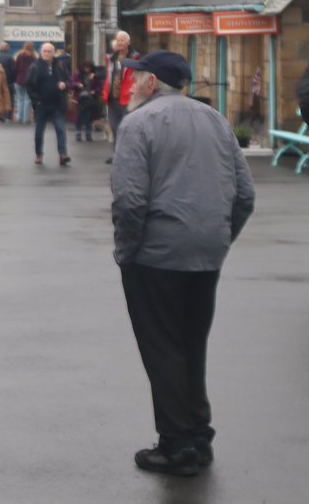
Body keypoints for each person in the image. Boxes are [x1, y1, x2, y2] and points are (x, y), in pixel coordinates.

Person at [110, 51, 255, 477]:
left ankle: (176, 447)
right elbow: (245, 194)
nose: (132, 85)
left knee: (163, 350)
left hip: (156, 256)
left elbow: (130, 200)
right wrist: (220, 239)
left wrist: (127, 252)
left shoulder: (136, 124)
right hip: (206, 254)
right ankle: (198, 435)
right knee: (192, 346)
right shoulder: (216, 120)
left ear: (152, 83)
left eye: (136, 78)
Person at [26, 42, 71, 166]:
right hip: (41, 104)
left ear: (54, 53)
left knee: (60, 129)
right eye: (44, 51)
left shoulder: (60, 65)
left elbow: (68, 79)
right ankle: (38, 154)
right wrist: (36, 100)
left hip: (57, 104)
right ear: (41, 52)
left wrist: (65, 85)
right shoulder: (35, 66)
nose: (46, 53)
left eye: (49, 51)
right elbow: (29, 85)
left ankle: (63, 154)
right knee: (39, 131)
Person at [104, 30, 140, 164]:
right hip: (112, 98)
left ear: (128, 42)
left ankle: (127, 155)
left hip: (127, 98)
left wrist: (134, 90)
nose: (120, 43)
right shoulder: (112, 58)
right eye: (118, 40)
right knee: (114, 128)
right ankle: (116, 155)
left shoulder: (135, 58)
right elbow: (108, 77)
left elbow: (137, 77)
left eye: (122, 40)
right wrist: (105, 93)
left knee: (126, 128)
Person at [13, 41, 36, 124]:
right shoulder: (33, 57)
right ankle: (26, 119)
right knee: (28, 100)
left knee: (20, 99)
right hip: (29, 80)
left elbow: (15, 67)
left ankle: (19, 117)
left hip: (19, 79)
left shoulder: (20, 56)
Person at [0, 41, 16, 121]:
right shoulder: (10, 57)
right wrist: (13, 79)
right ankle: (8, 115)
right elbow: (13, 70)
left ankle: (0, 114)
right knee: (9, 98)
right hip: (9, 81)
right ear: (6, 48)